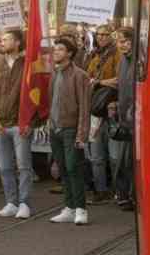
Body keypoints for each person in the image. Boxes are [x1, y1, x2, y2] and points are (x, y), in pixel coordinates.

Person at [0, 29, 34, 219]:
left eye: (6, 39)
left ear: (17, 42)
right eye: (1, 39)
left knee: (23, 166)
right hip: (1, 125)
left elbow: (35, 96)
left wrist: (31, 121)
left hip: (20, 124)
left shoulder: (27, 65)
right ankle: (11, 202)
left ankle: (24, 203)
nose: (2, 42)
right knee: (4, 166)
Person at [47, 37, 91, 225]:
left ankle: (81, 209)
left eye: (60, 49)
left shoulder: (80, 75)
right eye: (55, 49)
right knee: (63, 169)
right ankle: (69, 207)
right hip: (55, 128)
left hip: (71, 129)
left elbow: (84, 107)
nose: (55, 52)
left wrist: (82, 134)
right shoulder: (54, 74)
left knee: (74, 168)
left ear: (70, 53)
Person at [84, 24, 119, 205]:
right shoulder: (94, 55)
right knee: (96, 156)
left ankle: (118, 190)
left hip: (113, 110)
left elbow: (120, 80)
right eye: (99, 35)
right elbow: (86, 80)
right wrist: (100, 82)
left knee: (115, 157)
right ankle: (100, 190)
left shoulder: (117, 54)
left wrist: (97, 82)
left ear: (111, 36)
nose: (102, 37)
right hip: (95, 111)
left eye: (106, 34)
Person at [113, 27, 136, 210]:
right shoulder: (122, 61)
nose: (120, 45)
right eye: (119, 41)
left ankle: (129, 195)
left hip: (136, 117)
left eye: (122, 41)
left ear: (131, 41)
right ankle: (124, 194)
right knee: (122, 159)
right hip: (124, 117)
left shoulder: (138, 60)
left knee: (129, 160)